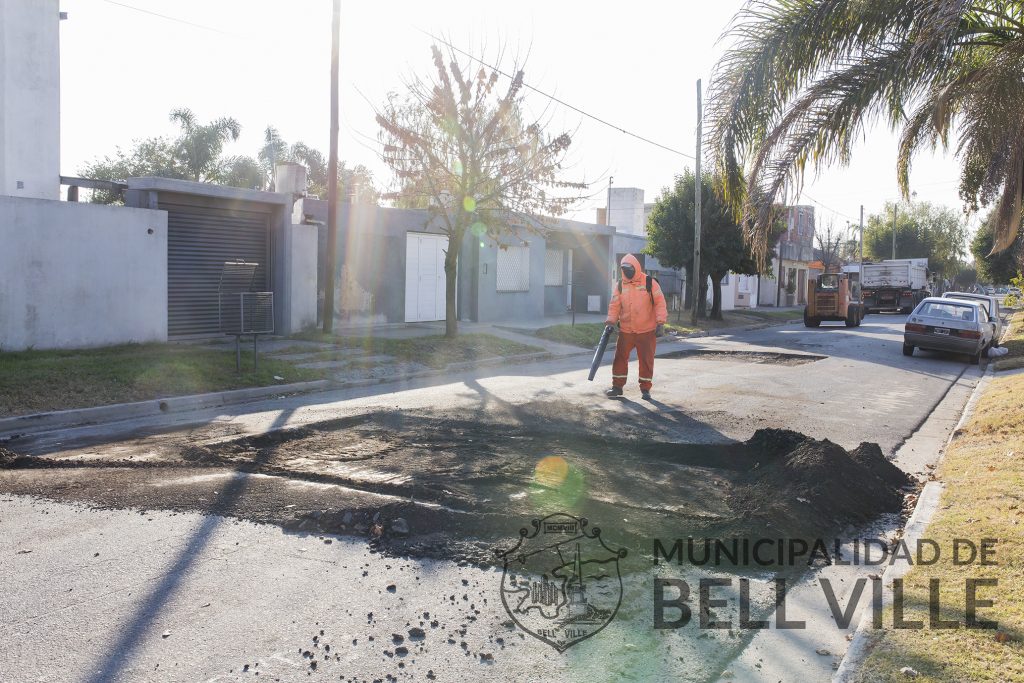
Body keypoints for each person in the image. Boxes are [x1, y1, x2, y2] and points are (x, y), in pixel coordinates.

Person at [604, 254, 667, 401]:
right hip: (626, 330)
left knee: (646, 360)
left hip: (646, 331)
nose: (627, 272)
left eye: (629, 269)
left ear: (636, 267)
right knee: (619, 358)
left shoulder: (649, 283)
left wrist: (661, 322)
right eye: (624, 269)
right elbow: (614, 305)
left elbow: (660, 303)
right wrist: (610, 321)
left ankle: (645, 389)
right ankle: (617, 387)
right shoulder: (620, 285)